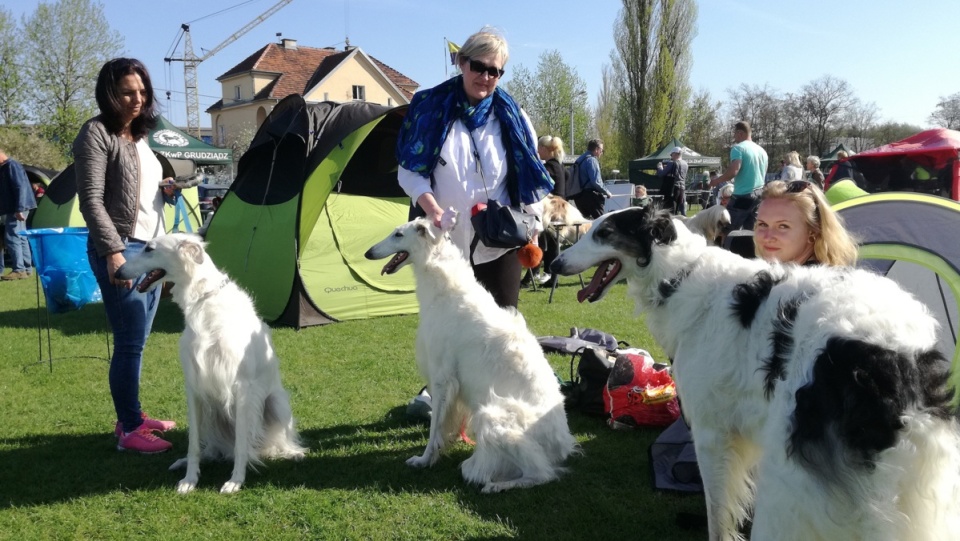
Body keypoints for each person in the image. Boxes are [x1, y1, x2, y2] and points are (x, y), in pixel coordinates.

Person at [396, 28, 552, 309]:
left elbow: (531, 172)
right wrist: (433, 209)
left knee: (502, 332)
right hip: (443, 245)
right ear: (462, 62)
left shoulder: (513, 117)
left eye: (495, 71)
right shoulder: (428, 110)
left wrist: (534, 225)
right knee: (449, 334)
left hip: (499, 244)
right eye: (478, 67)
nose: (486, 77)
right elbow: (409, 170)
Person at [74, 57, 177, 454]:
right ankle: (130, 430)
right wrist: (114, 253)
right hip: (123, 248)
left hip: (150, 249)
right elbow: (92, 202)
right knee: (130, 341)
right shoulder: (95, 134)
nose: (137, 99)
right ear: (109, 94)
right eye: (127, 93)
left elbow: (137, 191)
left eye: (142, 92)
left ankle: (129, 414)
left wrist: (163, 188)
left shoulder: (139, 136)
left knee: (139, 338)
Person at [754, 180, 858, 266]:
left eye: (783, 226)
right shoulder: (777, 277)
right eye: (763, 224)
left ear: (813, 230)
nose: (767, 237)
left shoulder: (821, 287)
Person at [710, 121, 768, 231]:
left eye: (735, 134)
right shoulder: (762, 151)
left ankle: (725, 248)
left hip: (742, 196)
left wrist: (716, 181)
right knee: (753, 232)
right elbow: (764, 172)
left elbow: (734, 171)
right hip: (759, 194)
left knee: (728, 230)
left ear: (740, 133)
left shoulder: (738, 148)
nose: (734, 137)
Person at [530, 135, 565, 285]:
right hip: (560, 208)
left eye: (539, 148)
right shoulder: (559, 166)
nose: (538, 151)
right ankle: (547, 275)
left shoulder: (548, 168)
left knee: (548, 244)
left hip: (551, 209)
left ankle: (549, 276)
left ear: (544, 149)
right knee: (550, 244)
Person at [0, 148, 37, 280]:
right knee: (21, 237)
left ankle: (19, 269)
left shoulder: (11, 166)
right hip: (18, 207)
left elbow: (20, 187)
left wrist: (19, 208)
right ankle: (26, 269)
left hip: (18, 208)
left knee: (12, 237)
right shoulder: (6, 167)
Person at [570, 139, 611, 219]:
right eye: (601, 150)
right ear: (596, 149)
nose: (601, 153)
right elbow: (596, 182)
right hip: (591, 197)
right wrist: (606, 192)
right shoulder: (592, 160)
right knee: (601, 222)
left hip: (579, 197)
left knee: (585, 224)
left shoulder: (580, 159)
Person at [657, 146, 688, 215]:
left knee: (671, 209)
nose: (671, 156)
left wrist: (660, 167)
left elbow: (661, 174)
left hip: (673, 188)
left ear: (675, 154)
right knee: (681, 209)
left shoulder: (672, 163)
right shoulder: (685, 164)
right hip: (682, 188)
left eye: (672, 154)